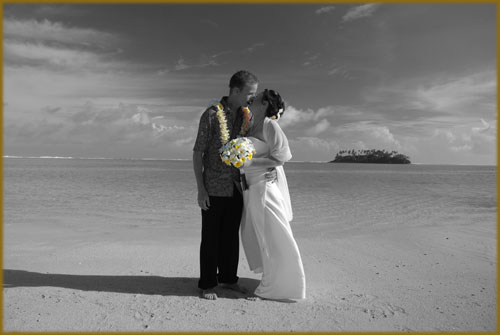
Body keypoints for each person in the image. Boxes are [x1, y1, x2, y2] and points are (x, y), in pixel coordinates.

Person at [192, 70, 258, 300]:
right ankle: (208, 284)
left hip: (237, 187)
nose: (252, 97)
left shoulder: (247, 117)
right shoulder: (211, 115)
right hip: (213, 186)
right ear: (236, 90)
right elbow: (198, 153)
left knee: (230, 237)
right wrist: (201, 189)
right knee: (210, 237)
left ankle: (229, 279)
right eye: (250, 92)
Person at [240, 89, 306, 301]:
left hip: (266, 189)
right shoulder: (250, 124)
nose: (251, 100)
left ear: (265, 103)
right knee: (261, 237)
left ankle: (277, 287)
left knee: (275, 237)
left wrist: (251, 163)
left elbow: (281, 158)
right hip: (251, 187)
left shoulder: (270, 125)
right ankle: (270, 280)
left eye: (255, 99)